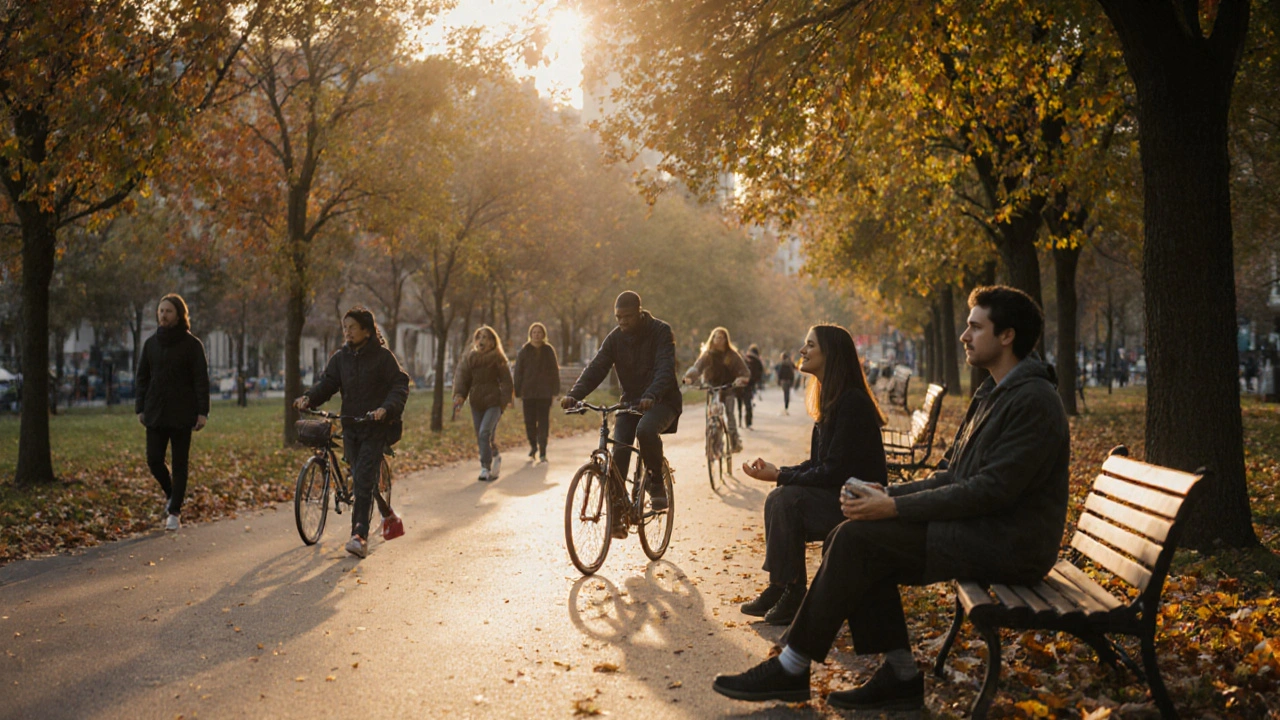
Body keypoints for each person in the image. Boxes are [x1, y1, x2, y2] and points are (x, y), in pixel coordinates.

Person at [712, 286, 1070, 712]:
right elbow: (952, 475)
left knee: (859, 541)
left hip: (1011, 544)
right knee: (856, 535)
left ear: (1007, 335)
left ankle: (794, 665)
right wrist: (889, 493)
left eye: (975, 326)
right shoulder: (993, 394)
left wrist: (895, 507)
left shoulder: (1032, 401)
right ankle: (897, 673)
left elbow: (991, 491)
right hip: (984, 530)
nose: (964, 336)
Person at [737, 325, 888, 626]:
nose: (802, 351)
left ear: (830, 354)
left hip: (860, 502)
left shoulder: (851, 403)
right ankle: (779, 587)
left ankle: (793, 593)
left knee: (785, 499)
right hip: (842, 494)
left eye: (810, 345)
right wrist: (779, 472)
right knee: (778, 497)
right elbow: (819, 463)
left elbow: (833, 471)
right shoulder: (833, 399)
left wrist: (781, 476)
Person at [561, 291, 681, 535]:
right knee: (619, 452)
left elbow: (665, 369)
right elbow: (596, 367)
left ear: (639, 311)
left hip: (662, 400)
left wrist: (652, 395)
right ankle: (617, 512)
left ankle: (656, 483)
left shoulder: (660, 331)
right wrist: (575, 395)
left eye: (626, 316)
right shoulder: (615, 339)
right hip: (630, 402)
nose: (622, 322)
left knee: (645, 429)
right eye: (618, 317)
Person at [294, 306, 409, 558]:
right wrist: (309, 398)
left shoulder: (383, 357)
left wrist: (385, 409)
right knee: (361, 477)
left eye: (352, 328)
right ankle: (386, 512)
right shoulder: (341, 358)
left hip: (375, 428)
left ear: (366, 330)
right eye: (344, 327)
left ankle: (359, 536)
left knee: (362, 479)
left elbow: (400, 385)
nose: (347, 332)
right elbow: (328, 384)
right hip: (351, 427)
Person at [136, 294, 210, 532]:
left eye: (168, 311)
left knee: (180, 465)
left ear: (179, 315)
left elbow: (201, 380)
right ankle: (173, 495)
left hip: (182, 413)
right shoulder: (150, 344)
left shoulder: (192, 345)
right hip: (155, 412)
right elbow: (142, 378)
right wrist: (140, 408)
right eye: (160, 311)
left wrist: (202, 412)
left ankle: (174, 512)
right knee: (154, 460)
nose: (163, 315)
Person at [453, 325, 514, 482]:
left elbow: (507, 382)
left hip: (493, 402)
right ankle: (495, 456)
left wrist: (504, 402)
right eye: (479, 337)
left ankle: (485, 467)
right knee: (484, 437)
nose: (481, 340)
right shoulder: (470, 358)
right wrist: (460, 395)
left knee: (484, 433)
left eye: (485, 337)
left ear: (493, 342)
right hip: (476, 402)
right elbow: (462, 378)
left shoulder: (498, 359)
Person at [682, 327, 750, 453]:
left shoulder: (732, 355)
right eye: (716, 337)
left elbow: (743, 370)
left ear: (726, 339)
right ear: (712, 339)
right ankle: (713, 438)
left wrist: (742, 378)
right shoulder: (708, 355)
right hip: (712, 388)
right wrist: (689, 378)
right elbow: (697, 368)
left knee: (729, 414)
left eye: (721, 337)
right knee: (712, 414)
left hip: (728, 388)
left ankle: (734, 442)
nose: (718, 340)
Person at [513, 322, 561, 463]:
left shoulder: (548, 350)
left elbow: (554, 371)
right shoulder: (524, 351)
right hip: (528, 393)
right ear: (530, 334)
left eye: (539, 332)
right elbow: (518, 372)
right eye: (534, 332)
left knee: (543, 422)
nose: (536, 335)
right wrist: (517, 392)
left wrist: (555, 391)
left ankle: (543, 451)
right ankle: (533, 446)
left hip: (544, 393)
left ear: (543, 335)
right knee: (529, 422)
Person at [739, 344, 765, 429]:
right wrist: (754, 381)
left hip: (740, 384)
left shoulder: (743, 358)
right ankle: (748, 423)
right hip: (749, 384)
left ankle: (739, 421)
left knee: (739, 403)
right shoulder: (757, 361)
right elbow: (760, 373)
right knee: (748, 404)